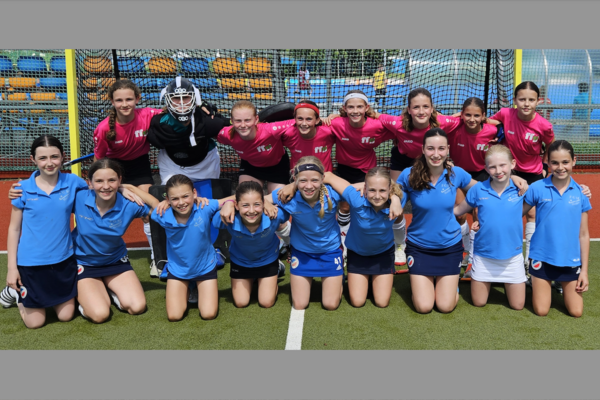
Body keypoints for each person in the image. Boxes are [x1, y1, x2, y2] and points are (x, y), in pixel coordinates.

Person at [0, 135, 90, 328]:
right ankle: (15, 292)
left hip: (63, 260)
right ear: (33, 159)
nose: (49, 163)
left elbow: (99, 191)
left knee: (66, 315)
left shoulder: (73, 182)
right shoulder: (22, 189)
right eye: (42, 158)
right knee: (35, 323)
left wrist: (124, 188)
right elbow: (14, 229)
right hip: (31, 264)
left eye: (54, 157)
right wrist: (12, 269)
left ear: (63, 156)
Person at [376, 88, 463, 266]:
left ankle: (463, 246)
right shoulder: (397, 123)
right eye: (416, 107)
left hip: (432, 160)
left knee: (455, 205)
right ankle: (399, 245)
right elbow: (374, 115)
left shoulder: (443, 122)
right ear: (408, 109)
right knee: (394, 202)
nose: (421, 111)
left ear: (432, 109)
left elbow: (468, 117)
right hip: (403, 161)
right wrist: (335, 117)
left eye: (425, 107)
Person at [397, 128, 479, 314]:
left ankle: (449, 286)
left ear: (448, 149)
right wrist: (394, 200)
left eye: (441, 148)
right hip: (419, 247)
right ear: (423, 149)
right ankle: (421, 283)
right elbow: (395, 194)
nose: (436, 154)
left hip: (449, 247)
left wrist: (462, 208)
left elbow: (482, 189)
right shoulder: (409, 174)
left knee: (445, 306)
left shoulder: (456, 173)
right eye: (430, 148)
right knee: (424, 307)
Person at [92, 79, 162, 277]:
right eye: (119, 100)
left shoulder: (147, 114)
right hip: (113, 169)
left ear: (137, 99)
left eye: (129, 99)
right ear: (112, 101)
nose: (125, 104)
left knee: (148, 211)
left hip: (140, 166)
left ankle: (157, 258)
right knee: (108, 212)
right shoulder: (104, 129)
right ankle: (100, 256)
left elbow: (171, 112)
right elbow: (99, 160)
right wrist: (103, 183)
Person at [489, 81, 555, 275]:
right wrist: (497, 133)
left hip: (534, 173)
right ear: (515, 100)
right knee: (507, 211)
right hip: (510, 172)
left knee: (532, 215)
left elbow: (550, 144)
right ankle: (504, 256)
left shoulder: (544, 125)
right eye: (522, 99)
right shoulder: (505, 113)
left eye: (531, 100)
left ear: (538, 101)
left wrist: (545, 166)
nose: (526, 104)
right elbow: (488, 124)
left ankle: (529, 261)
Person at [73, 159, 150, 323]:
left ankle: (109, 290)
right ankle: (84, 299)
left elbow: (160, 210)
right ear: (90, 182)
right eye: (99, 181)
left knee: (137, 307)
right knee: (100, 314)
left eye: (112, 180)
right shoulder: (79, 197)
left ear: (119, 180)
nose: (106, 186)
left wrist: (130, 188)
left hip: (115, 261)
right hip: (84, 263)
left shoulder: (129, 203)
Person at [453, 145, 527, 310]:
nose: (498, 171)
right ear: (486, 169)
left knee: (518, 305)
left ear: (512, 164)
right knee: (479, 302)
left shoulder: (521, 189)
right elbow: (458, 210)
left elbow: (544, 193)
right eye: (492, 167)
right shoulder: (478, 189)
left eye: (502, 165)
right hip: (484, 257)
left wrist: (582, 190)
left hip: (512, 257)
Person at [325, 90, 396, 261]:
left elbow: (399, 128)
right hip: (344, 170)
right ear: (344, 108)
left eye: (359, 107)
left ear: (366, 108)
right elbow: (314, 124)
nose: (355, 111)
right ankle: (344, 243)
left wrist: (380, 116)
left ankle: (380, 242)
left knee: (368, 207)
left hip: (367, 173)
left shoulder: (376, 126)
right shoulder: (336, 123)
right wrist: (331, 117)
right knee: (344, 207)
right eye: (351, 107)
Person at [523, 140, 591, 318]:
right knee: (541, 310)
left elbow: (584, 234)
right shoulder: (537, 188)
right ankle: (536, 279)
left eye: (565, 162)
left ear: (574, 161)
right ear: (547, 162)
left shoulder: (581, 193)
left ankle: (560, 282)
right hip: (542, 257)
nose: (560, 167)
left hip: (570, 259)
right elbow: (516, 213)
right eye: (554, 163)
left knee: (576, 312)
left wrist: (584, 271)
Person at [269, 156, 344, 311]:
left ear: (323, 179)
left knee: (330, 305)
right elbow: (254, 198)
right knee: (299, 304)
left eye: (315, 180)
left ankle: (338, 277)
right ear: (295, 179)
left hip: (330, 252)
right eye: (303, 181)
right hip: (302, 254)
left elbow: (363, 188)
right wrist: (264, 203)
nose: (309, 186)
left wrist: (394, 200)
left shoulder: (333, 193)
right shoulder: (287, 195)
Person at [321, 168, 403, 308]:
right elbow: (327, 176)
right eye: (372, 190)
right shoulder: (355, 198)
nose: (377, 196)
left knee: (381, 303)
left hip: (383, 255)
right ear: (365, 189)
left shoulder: (397, 201)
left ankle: (373, 280)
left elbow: (400, 220)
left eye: (382, 190)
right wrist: (293, 185)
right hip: (358, 254)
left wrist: (395, 199)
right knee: (357, 302)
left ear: (390, 190)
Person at [149, 174, 223, 321]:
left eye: (185, 196)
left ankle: (196, 286)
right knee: (174, 316)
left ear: (194, 193)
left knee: (208, 314)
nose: (181, 202)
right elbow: (149, 202)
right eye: (175, 198)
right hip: (179, 270)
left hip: (205, 268)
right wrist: (128, 187)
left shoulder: (204, 207)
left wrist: (229, 205)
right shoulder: (162, 214)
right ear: (168, 199)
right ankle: (190, 287)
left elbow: (234, 199)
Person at [213, 181, 288, 308]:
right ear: (237, 205)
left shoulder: (275, 215)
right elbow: (210, 213)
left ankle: (277, 268)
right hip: (241, 262)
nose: (252, 211)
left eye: (257, 204)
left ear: (264, 203)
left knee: (266, 302)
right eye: (245, 205)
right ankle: (255, 279)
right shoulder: (228, 217)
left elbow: (290, 203)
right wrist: (228, 203)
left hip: (267, 260)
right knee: (241, 303)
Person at [446, 97, 500, 272]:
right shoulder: (454, 127)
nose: (472, 119)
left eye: (476, 115)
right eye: (467, 115)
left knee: (478, 214)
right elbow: (437, 120)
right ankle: (465, 250)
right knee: (459, 214)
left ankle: (477, 255)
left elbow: (506, 127)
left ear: (483, 116)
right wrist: (456, 116)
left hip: (482, 175)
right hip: (459, 174)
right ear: (462, 115)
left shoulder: (493, 131)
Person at [147, 77, 228, 185]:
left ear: (194, 98)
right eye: (176, 98)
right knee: (174, 194)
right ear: (168, 100)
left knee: (206, 195)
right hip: (171, 165)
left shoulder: (206, 119)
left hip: (206, 164)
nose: (181, 102)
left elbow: (232, 123)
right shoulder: (158, 124)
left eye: (186, 97)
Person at [281, 100, 336, 173]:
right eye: (300, 118)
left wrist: (338, 115)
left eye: (309, 119)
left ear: (317, 120)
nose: (304, 123)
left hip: (324, 176)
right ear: (295, 119)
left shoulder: (328, 132)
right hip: (298, 177)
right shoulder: (289, 134)